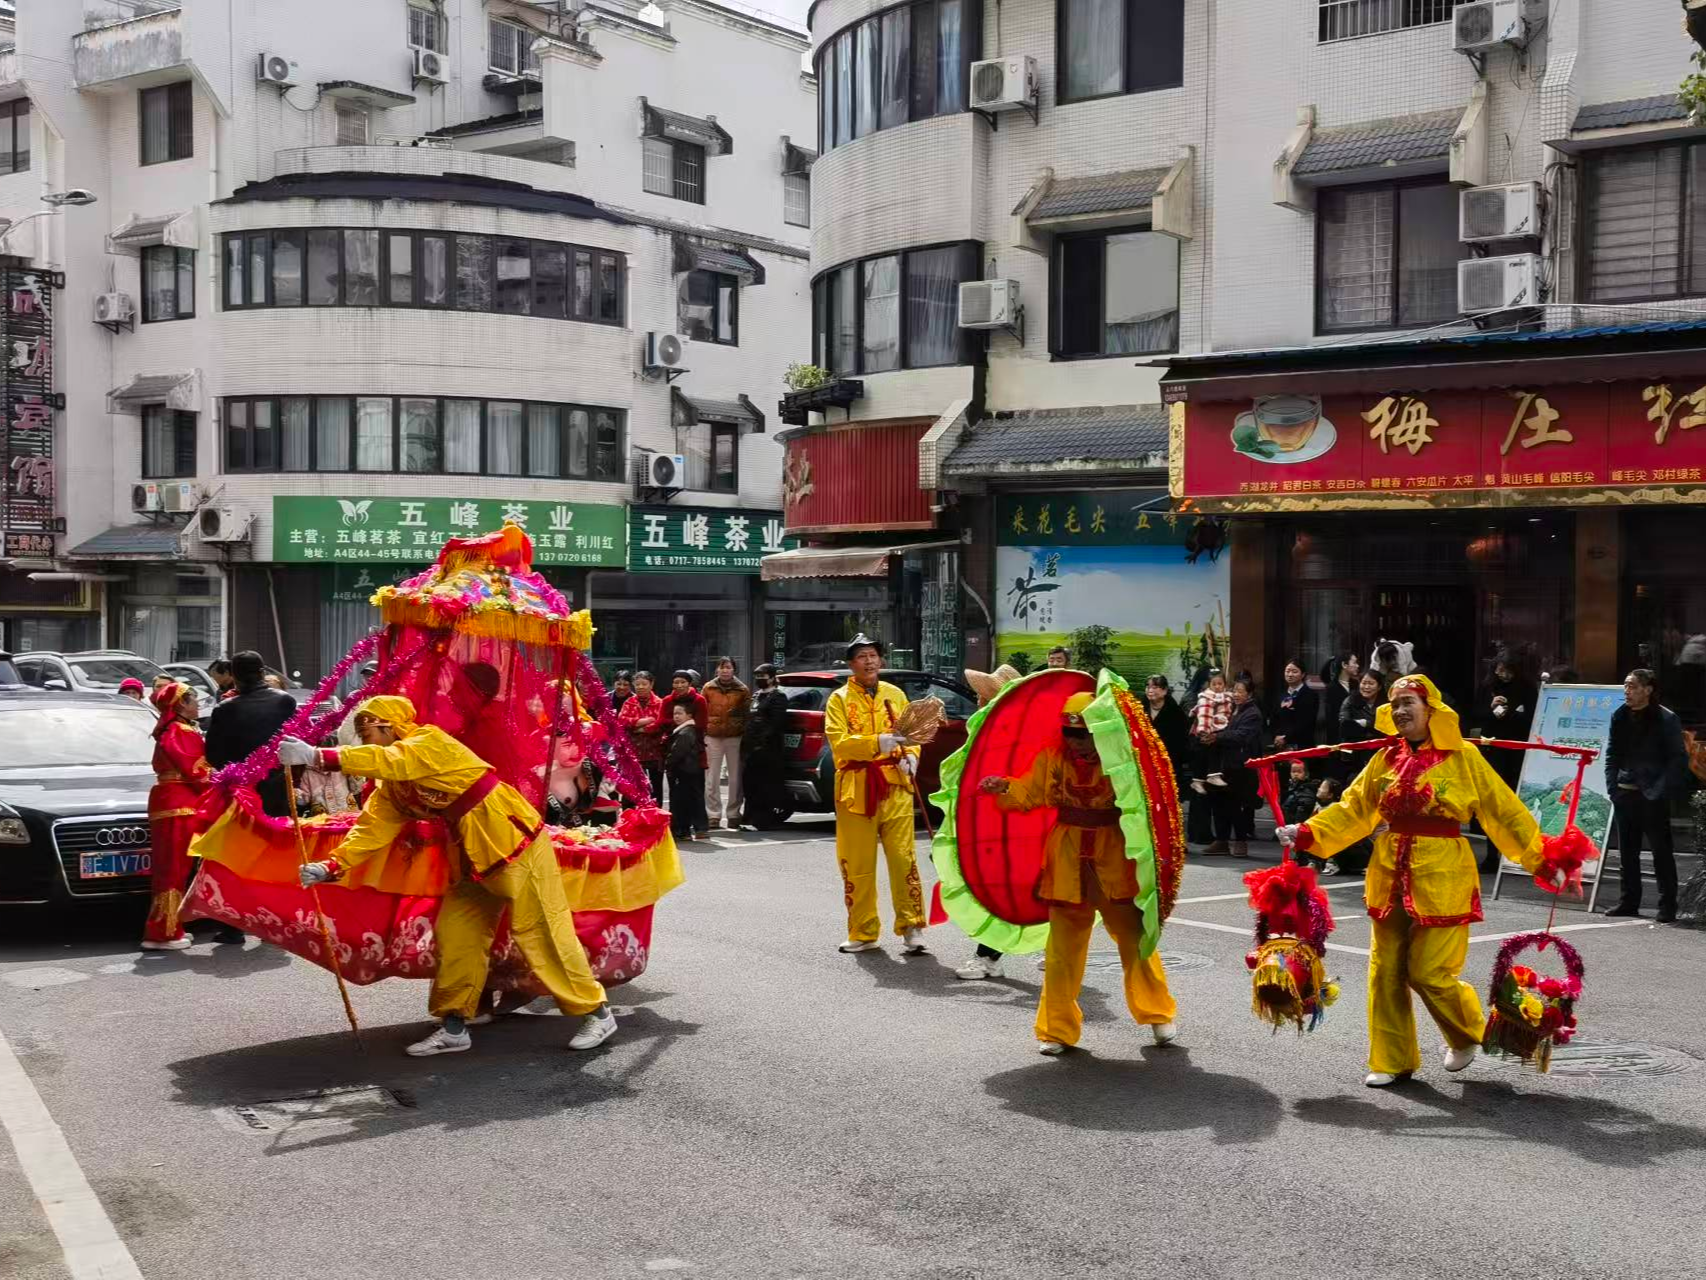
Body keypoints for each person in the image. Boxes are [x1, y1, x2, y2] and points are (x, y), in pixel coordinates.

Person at [1276, 674, 1584, 1088]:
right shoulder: (1384, 759)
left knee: (1428, 971)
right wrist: (1307, 831)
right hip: (1388, 874)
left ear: (1431, 710)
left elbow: (1503, 810)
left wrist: (1543, 857)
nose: (1402, 711)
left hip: (1444, 875)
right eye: (1396, 704)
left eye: (1410, 703)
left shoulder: (1464, 758)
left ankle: (1466, 1031)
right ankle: (1391, 1057)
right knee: (1384, 971)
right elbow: (1354, 808)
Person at [280, 697, 618, 1057]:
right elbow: (372, 829)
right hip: (470, 853)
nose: (363, 742)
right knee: (456, 935)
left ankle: (597, 1012)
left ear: (389, 726)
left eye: (367, 733)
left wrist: (318, 757)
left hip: (512, 840)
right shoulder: (393, 787)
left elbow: (392, 759)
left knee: (540, 932)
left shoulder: (428, 742)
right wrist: (331, 865)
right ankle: (455, 1026)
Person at [979, 691, 1179, 1054]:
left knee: (1135, 940)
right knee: (1061, 950)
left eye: (1084, 734)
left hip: (1115, 857)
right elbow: (1030, 793)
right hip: (1066, 858)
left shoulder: (1122, 760)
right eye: (1069, 734)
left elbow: (1148, 804)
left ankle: (1157, 1013)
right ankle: (1056, 1030)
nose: (1076, 742)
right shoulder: (1053, 757)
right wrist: (1005, 786)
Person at [825, 634, 927, 955]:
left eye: (873, 655)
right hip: (856, 789)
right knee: (858, 863)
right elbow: (839, 742)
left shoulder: (896, 694)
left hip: (895, 785)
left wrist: (912, 755)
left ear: (881, 660)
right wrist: (877, 743)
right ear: (851, 664)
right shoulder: (838, 699)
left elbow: (912, 732)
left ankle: (911, 925)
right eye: (861, 657)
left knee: (903, 857)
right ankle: (863, 930)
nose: (869, 661)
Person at [1601, 669, 1688, 923]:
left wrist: (1658, 791)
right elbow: (1612, 755)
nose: (1626, 691)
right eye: (1625, 686)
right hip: (1624, 792)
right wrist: (1612, 788)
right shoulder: (1619, 716)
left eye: (1632, 686)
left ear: (1648, 689)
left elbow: (1677, 759)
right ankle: (1628, 901)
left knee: (1661, 852)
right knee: (1627, 852)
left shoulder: (1666, 718)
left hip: (1653, 794)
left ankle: (1667, 905)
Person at [141, 682, 210, 950]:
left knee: (171, 869)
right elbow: (197, 771)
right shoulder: (180, 731)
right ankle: (163, 932)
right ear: (181, 703)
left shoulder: (170, 730)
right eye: (193, 700)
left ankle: (169, 926)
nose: (197, 705)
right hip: (179, 805)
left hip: (170, 803)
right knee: (174, 870)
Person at [205, 651, 297, 817]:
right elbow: (299, 744)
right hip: (278, 788)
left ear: (233, 676)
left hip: (240, 791)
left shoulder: (225, 709)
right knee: (277, 840)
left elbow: (213, 756)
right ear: (262, 673)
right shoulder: (286, 701)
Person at [1471, 651, 1539, 789]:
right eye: (1499, 670)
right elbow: (1475, 714)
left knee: (1514, 781)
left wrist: (1511, 714)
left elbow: (1533, 716)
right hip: (1492, 743)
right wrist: (1491, 709)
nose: (1502, 674)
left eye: (1507, 671)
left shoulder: (1527, 687)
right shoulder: (1488, 685)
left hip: (1517, 743)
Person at [1216, 677, 1265, 857]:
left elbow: (1242, 736)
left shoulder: (1253, 713)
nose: (1235, 694)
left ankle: (1240, 841)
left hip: (1243, 766)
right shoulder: (1231, 709)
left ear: (1249, 693)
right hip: (1227, 764)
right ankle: (1221, 840)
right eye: (1234, 690)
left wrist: (1219, 736)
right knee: (1223, 803)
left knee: (1239, 805)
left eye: (1240, 691)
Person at [702, 657, 751, 831]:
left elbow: (747, 714)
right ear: (717, 670)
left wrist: (743, 732)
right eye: (722, 667)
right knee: (712, 777)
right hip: (712, 736)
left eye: (728, 667)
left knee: (735, 777)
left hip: (734, 736)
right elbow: (701, 711)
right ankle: (713, 815)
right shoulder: (708, 688)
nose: (725, 671)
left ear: (734, 670)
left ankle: (733, 814)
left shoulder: (742, 689)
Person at [741, 663, 792, 829]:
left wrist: (761, 741)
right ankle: (749, 817)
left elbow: (776, 723)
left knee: (766, 784)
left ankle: (764, 819)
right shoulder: (756, 696)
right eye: (756, 676)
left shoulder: (778, 697)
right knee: (750, 784)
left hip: (768, 749)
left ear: (771, 677)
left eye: (762, 676)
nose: (759, 679)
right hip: (751, 748)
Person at [664, 671, 709, 838]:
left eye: (683, 682)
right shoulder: (668, 700)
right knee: (678, 797)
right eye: (676, 682)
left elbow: (702, 724)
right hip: (676, 750)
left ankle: (700, 828)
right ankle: (681, 829)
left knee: (695, 794)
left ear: (690, 683)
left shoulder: (699, 700)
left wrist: (668, 763)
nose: (679, 685)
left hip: (692, 756)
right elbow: (661, 721)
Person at [619, 671, 668, 804]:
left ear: (651, 684)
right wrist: (645, 721)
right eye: (637, 684)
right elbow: (622, 721)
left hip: (655, 751)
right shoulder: (629, 702)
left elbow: (660, 724)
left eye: (644, 684)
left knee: (656, 787)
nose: (640, 687)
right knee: (632, 786)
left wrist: (638, 728)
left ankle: (656, 816)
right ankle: (629, 816)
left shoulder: (660, 703)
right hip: (633, 752)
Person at [1189, 669, 1234, 793]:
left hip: (1219, 728)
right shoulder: (1206, 698)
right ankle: (1204, 778)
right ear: (1209, 685)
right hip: (1206, 730)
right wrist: (1204, 731)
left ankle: (1201, 779)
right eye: (1214, 684)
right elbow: (1204, 715)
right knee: (1205, 754)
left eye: (1220, 684)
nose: (1217, 687)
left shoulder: (1228, 697)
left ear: (1225, 684)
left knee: (1210, 753)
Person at [1144, 674, 1190, 789]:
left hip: (1168, 761)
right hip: (1144, 759)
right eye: (1148, 687)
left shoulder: (1175, 712)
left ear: (1164, 691)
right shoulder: (1138, 706)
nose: (1150, 690)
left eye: (1155, 687)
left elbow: (1181, 742)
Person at [1337, 669, 1385, 778]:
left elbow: (1386, 728)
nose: (1366, 687)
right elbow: (1345, 727)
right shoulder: (1350, 701)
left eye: (1371, 683)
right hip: (1354, 755)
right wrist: (1372, 726)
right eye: (1364, 683)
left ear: (1379, 687)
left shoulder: (1386, 704)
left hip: (1378, 752)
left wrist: (1364, 723)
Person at [1270, 660, 1318, 751]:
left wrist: (1286, 738)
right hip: (1280, 746)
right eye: (1287, 671)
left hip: (1301, 746)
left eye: (1294, 671)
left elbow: (1306, 722)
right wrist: (1276, 736)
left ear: (1303, 675)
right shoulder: (1281, 695)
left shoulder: (1310, 695)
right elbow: (1274, 718)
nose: (1290, 674)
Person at [1321, 652, 1361, 739]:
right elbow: (1332, 718)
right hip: (1338, 737)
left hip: (1355, 735)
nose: (1357, 666)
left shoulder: (1356, 685)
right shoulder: (1332, 688)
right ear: (1344, 665)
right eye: (1354, 662)